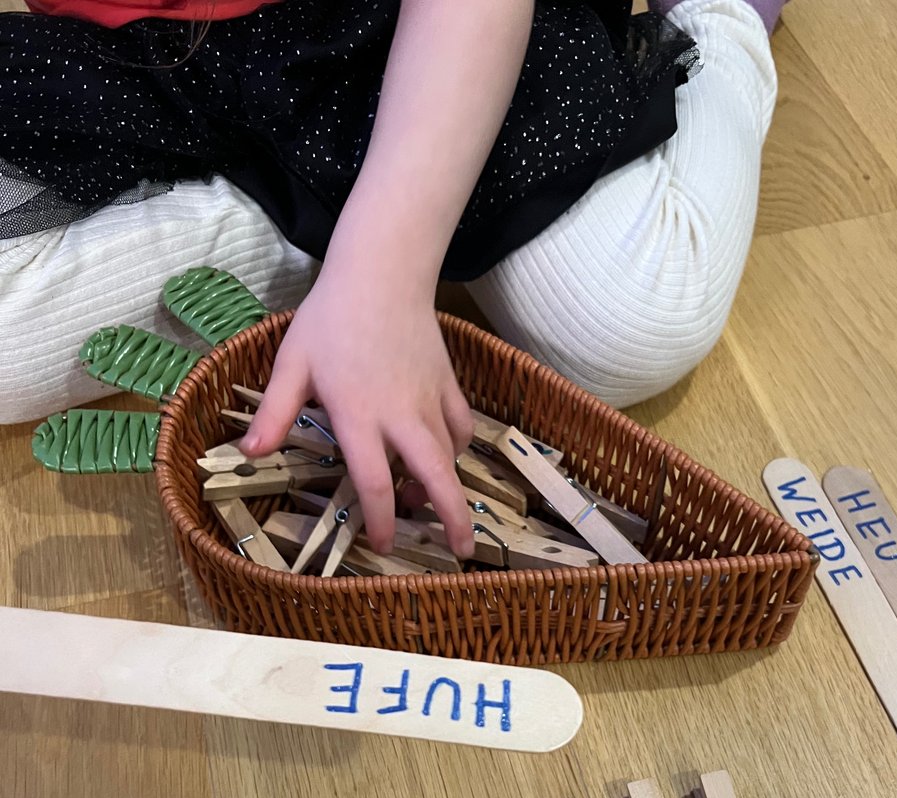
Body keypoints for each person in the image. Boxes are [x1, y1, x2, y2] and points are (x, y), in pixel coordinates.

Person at [0, 0, 782, 553]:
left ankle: (724, 18)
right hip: (139, 51)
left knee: (628, 318)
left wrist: (387, 267)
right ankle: (333, 212)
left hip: (402, 32)